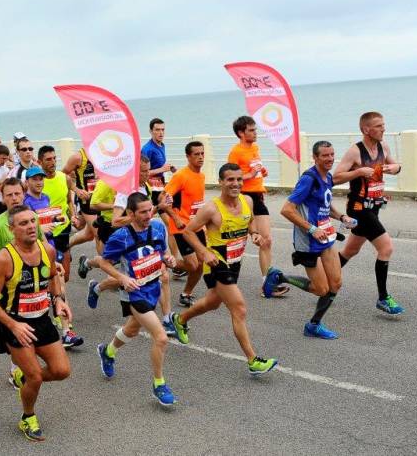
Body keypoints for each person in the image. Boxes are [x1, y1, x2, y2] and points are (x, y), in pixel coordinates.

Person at [170, 163, 279, 376]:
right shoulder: (211, 208)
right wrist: (203, 252)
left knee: (212, 302)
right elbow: (188, 232)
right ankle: (253, 360)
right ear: (221, 182)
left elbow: (250, 223)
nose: (236, 183)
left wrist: (254, 233)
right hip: (217, 264)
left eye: (239, 179)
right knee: (239, 308)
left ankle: (180, 320)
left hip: (235, 263)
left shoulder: (247, 201)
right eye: (230, 179)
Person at [0, 205, 72, 442]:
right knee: (35, 377)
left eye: (33, 221)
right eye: (23, 223)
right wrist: (13, 325)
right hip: (16, 322)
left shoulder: (48, 250)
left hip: (42, 318)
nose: (31, 226)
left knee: (62, 371)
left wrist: (58, 300)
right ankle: (28, 416)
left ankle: (25, 380)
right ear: (12, 229)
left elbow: (52, 276)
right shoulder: (3, 259)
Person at [95, 193, 180, 406]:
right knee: (160, 337)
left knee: (132, 330)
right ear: (130, 214)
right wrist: (122, 277)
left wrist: (168, 259)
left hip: (153, 288)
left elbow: (164, 252)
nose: (148, 214)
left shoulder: (159, 227)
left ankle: (107, 351)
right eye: (142, 212)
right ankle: (159, 384)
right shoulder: (121, 236)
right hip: (134, 293)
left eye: (150, 209)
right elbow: (104, 262)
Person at [272, 141, 353, 339]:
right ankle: (279, 277)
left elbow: (325, 204)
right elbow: (286, 210)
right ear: (315, 158)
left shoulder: (328, 177)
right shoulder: (308, 179)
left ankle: (313, 325)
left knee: (335, 284)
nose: (330, 159)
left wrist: (342, 217)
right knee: (320, 289)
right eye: (325, 156)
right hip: (307, 241)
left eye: (332, 154)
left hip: (325, 237)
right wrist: (312, 229)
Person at [332, 111, 405, 315]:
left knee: (350, 251)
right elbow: (335, 178)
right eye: (379, 126)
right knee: (386, 248)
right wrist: (357, 172)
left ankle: (321, 278)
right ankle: (383, 298)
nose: (384, 129)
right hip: (358, 209)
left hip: (374, 207)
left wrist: (394, 168)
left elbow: (396, 165)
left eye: (384, 124)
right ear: (366, 129)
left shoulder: (383, 146)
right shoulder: (355, 152)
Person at [229, 115, 287, 297]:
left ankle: (266, 284)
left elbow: (254, 171)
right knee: (237, 242)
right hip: (244, 198)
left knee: (266, 240)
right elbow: (231, 179)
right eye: (251, 130)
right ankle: (224, 280)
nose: (256, 133)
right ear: (241, 133)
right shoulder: (235, 152)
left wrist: (261, 172)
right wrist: (250, 174)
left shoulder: (255, 147)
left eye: (255, 129)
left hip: (258, 197)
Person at [37, 145, 83, 349]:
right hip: (45, 239)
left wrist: (73, 215)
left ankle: (52, 300)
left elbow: (67, 201)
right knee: (59, 279)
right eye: (48, 159)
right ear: (40, 162)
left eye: (54, 158)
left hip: (62, 233)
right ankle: (67, 329)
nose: (52, 162)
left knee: (65, 277)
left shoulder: (64, 178)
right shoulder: (35, 185)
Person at [160, 141, 208, 307]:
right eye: (196, 154)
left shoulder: (201, 176)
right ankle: (163, 262)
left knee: (201, 264)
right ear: (188, 156)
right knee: (193, 264)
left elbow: (197, 203)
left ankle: (186, 293)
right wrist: (176, 218)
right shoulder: (181, 176)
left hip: (197, 226)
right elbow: (162, 200)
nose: (200, 157)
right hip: (182, 228)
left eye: (202, 153)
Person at [62, 147, 99, 252]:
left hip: (101, 198)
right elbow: (62, 175)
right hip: (87, 200)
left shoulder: (103, 153)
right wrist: (76, 189)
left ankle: (65, 246)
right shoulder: (78, 157)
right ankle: (102, 263)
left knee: (89, 235)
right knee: (98, 233)